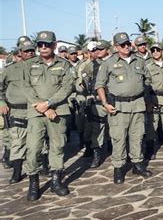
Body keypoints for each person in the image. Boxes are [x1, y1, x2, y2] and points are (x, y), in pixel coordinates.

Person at [22, 31, 74, 200]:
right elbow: (26, 87)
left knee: (57, 147)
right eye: (40, 45)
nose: (43, 47)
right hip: (36, 112)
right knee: (33, 148)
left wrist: (50, 103)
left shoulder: (64, 64)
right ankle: (33, 183)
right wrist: (44, 108)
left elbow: (67, 87)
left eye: (47, 44)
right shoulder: (29, 64)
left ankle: (55, 181)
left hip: (58, 111)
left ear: (54, 45)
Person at [95, 32, 152, 184]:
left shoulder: (139, 61)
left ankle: (137, 164)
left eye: (128, 44)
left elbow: (148, 79)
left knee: (137, 136)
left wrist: (143, 94)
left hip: (137, 104)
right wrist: (105, 103)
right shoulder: (108, 63)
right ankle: (118, 167)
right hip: (118, 106)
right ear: (116, 47)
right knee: (118, 137)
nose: (126, 47)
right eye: (122, 45)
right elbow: (99, 85)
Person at [0, 37, 36, 183]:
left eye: (32, 51)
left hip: (36, 110)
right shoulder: (10, 70)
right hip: (17, 111)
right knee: (18, 142)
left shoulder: (40, 67)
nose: (29, 54)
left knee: (40, 141)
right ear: (20, 52)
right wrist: (1, 101)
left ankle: (42, 166)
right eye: (26, 51)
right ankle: (17, 172)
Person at [78, 40, 110, 168]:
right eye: (95, 50)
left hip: (115, 99)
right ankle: (97, 155)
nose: (97, 52)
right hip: (98, 100)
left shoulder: (114, 62)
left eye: (100, 49)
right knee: (97, 127)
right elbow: (85, 83)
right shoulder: (91, 65)